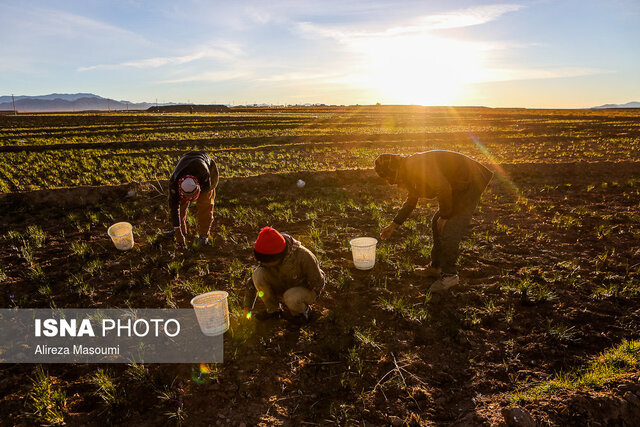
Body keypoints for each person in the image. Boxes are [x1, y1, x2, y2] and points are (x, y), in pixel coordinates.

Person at [374, 150, 493, 293]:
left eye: (391, 178)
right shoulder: (407, 171)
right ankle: (436, 267)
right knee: (436, 222)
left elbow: (443, 188)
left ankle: (450, 276)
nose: (394, 182)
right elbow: (411, 202)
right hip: (458, 184)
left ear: (393, 171)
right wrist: (394, 225)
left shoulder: (414, 166)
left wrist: (445, 216)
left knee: (449, 228)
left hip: (471, 181)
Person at [243, 227, 325, 322]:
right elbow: (252, 283)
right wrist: (247, 307)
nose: (264, 264)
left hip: (302, 290)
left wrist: (305, 297)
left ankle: (302, 313)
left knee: (291, 297)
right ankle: (273, 310)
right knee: (258, 275)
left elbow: (318, 283)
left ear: (278, 256)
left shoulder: (304, 256)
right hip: (283, 285)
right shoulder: (266, 256)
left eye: (267, 262)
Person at [167, 151, 219, 247]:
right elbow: (174, 208)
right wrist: (178, 230)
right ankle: (180, 229)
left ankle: (203, 236)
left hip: (205, 164)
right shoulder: (174, 183)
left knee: (205, 204)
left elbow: (206, 204)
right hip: (187, 161)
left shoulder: (203, 174)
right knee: (180, 204)